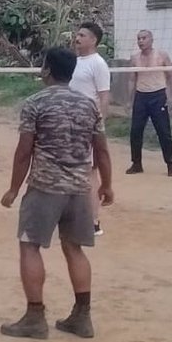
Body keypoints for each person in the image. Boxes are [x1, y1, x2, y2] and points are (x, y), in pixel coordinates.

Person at [0, 46, 113, 340]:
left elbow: (24, 151)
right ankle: (82, 317)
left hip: (46, 187)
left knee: (30, 245)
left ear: (47, 70)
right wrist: (107, 185)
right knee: (74, 248)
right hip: (79, 188)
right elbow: (100, 149)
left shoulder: (35, 102)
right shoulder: (89, 105)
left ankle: (35, 317)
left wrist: (13, 188)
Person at [69, 22, 111, 235]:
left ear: (93, 40)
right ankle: (71, 216)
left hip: (88, 125)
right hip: (69, 124)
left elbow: (104, 96)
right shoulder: (74, 62)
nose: (77, 38)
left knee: (89, 171)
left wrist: (99, 122)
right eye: (77, 34)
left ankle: (94, 222)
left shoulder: (98, 63)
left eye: (82, 35)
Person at [126, 29, 172, 177]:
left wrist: (171, 96)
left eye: (144, 38)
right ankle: (136, 164)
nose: (141, 41)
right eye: (138, 39)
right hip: (141, 96)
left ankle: (171, 165)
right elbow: (131, 79)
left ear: (151, 39)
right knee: (135, 132)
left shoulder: (161, 55)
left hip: (158, 95)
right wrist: (129, 101)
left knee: (164, 132)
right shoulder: (135, 58)